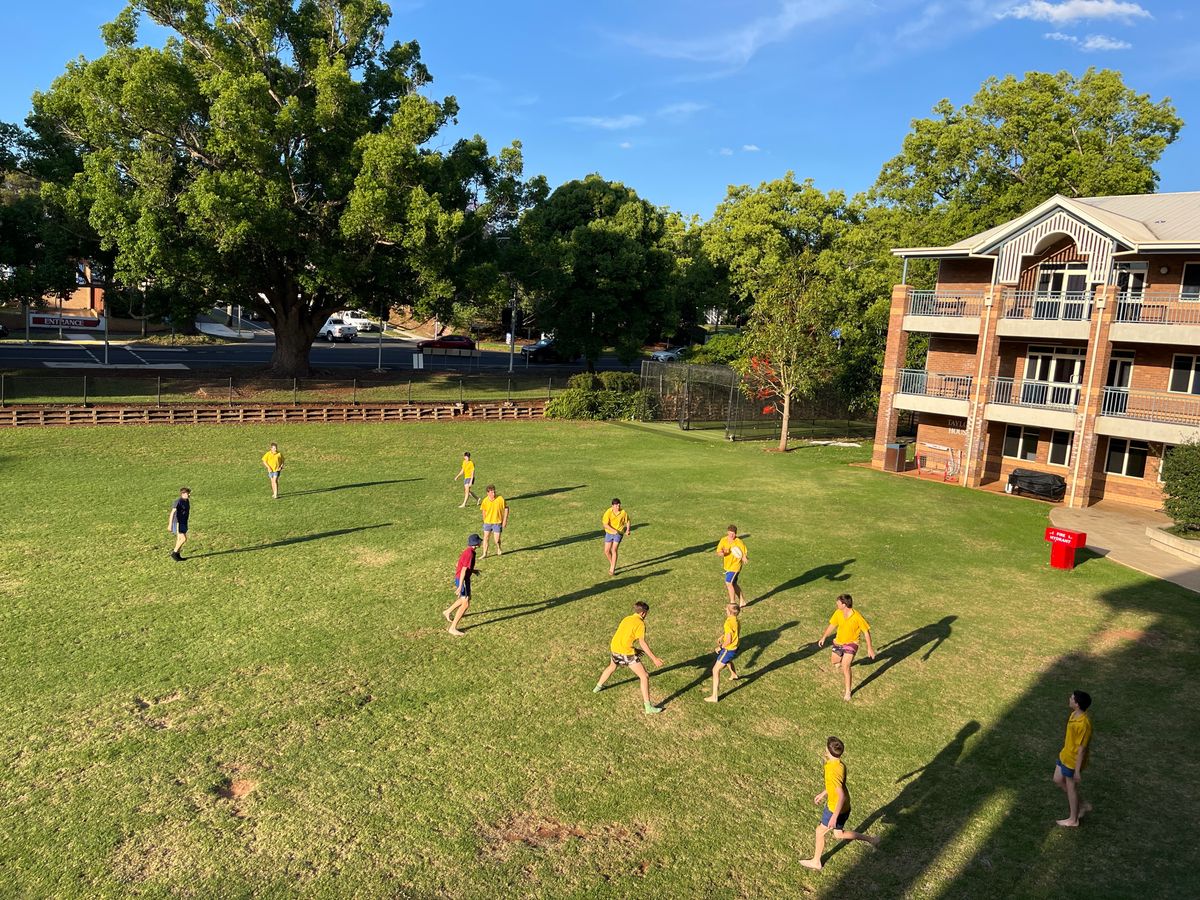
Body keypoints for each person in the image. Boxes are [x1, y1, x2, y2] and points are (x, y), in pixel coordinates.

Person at [800, 736, 880, 870]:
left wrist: (834, 816)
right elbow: (837, 785)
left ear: (828, 750)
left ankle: (816, 862)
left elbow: (840, 795)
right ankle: (872, 840)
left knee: (819, 832)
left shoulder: (832, 770)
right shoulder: (840, 765)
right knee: (839, 834)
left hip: (835, 808)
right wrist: (823, 793)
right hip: (845, 807)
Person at [593, 601, 664, 715]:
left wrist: (634, 649)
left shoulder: (626, 619)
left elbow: (623, 636)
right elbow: (642, 642)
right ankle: (648, 707)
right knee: (644, 676)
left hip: (615, 648)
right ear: (643, 613)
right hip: (626, 653)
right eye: (646, 613)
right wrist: (654, 658)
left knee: (612, 666)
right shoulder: (640, 624)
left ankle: (597, 687)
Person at [818, 594, 876, 701]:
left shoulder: (857, 617)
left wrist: (870, 648)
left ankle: (848, 691)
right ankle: (840, 660)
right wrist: (823, 637)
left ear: (844, 604)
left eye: (838, 603)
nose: (837, 604)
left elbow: (866, 632)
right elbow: (832, 625)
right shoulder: (838, 613)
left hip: (851, 643)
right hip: (839, 642)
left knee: (845, 666)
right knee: (835, 661)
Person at [1054, 689, 1094, 827]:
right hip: (1065, 755)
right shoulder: (1074, 714)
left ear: (1077, 704)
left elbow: (1082, 750)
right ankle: (1082, 805)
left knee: (1071, 789)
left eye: (1072, 698)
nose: (1069, 699)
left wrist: (1077, 771)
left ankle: (1073, 820)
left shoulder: (1084, 724)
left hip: (1072, 761)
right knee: (1057, 779)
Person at [443, 533, 483, 637]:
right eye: (479, 541)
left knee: (465, 598)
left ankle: (447, 611)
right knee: (465, 604)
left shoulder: (469, 551)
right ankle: (452, 628)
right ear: (476, 543)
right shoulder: (470, 553)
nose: (481, 542)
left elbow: (460, 565)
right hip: (463, 579)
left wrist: (473, 571)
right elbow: (463, 570)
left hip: (464, 579)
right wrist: (460, 586)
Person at [705, 602, 741, 703]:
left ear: (729, 612)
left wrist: (720, 647)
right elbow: (733, 633)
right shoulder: (736, 620)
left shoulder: (728, 623)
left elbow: (729, 640)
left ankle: (714, 697)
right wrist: (723, 636)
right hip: (736, 647)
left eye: (726, 609)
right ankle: (734, 674)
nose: (725, 609)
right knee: (727, 661)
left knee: (715, 670)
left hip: (728, 649)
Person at [715, 525, 748, 607]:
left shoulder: (738, 542)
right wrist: (723, 553)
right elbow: (718, 552)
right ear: (727, 532)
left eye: (733, 534)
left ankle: (732, 602)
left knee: (728, 583)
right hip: (727, 566)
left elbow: (744, 552)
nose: (731, 535)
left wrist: (744, 557)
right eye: (730, 533)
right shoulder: (723, 540)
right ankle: (742, 601)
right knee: (734, 584)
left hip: (735, 566)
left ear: (736, 534)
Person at [601, 498, 631, 576]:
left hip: (619, 533)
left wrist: (628, 530)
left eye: (619, 505)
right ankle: (612, 563)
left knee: (614, 549)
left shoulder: (623, 512)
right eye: (616, 505)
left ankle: (612, 568)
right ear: (612, 506)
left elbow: (627, 521)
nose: (618, 506)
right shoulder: (608, 512)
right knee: (606, 551)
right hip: (609, 533)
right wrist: (613, 530)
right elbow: (605, 524)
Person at [479, 485, 509, 558]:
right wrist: (484, 521)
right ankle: (484, 553)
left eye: (494, 492)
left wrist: (505, 520)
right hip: (488, 523)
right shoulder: (485, 501)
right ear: (488, 493)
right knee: (486, 538)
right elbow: (483, 511)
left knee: (497, 540)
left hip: (497, 523)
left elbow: (506, 508)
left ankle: (499, 548)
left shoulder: (500, 499)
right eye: (492, 492)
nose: (494, 494)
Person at [168, 487, 191, 561]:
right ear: (182, 494)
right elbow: (172, 513)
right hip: (178, 522)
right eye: (187, 493)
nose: (189, 495)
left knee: (179, 539)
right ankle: (174, 553)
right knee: (183, 539)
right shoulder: (178, 501)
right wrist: (170, 525)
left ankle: (177, 555)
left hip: (184, 522)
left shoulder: (187, 501)